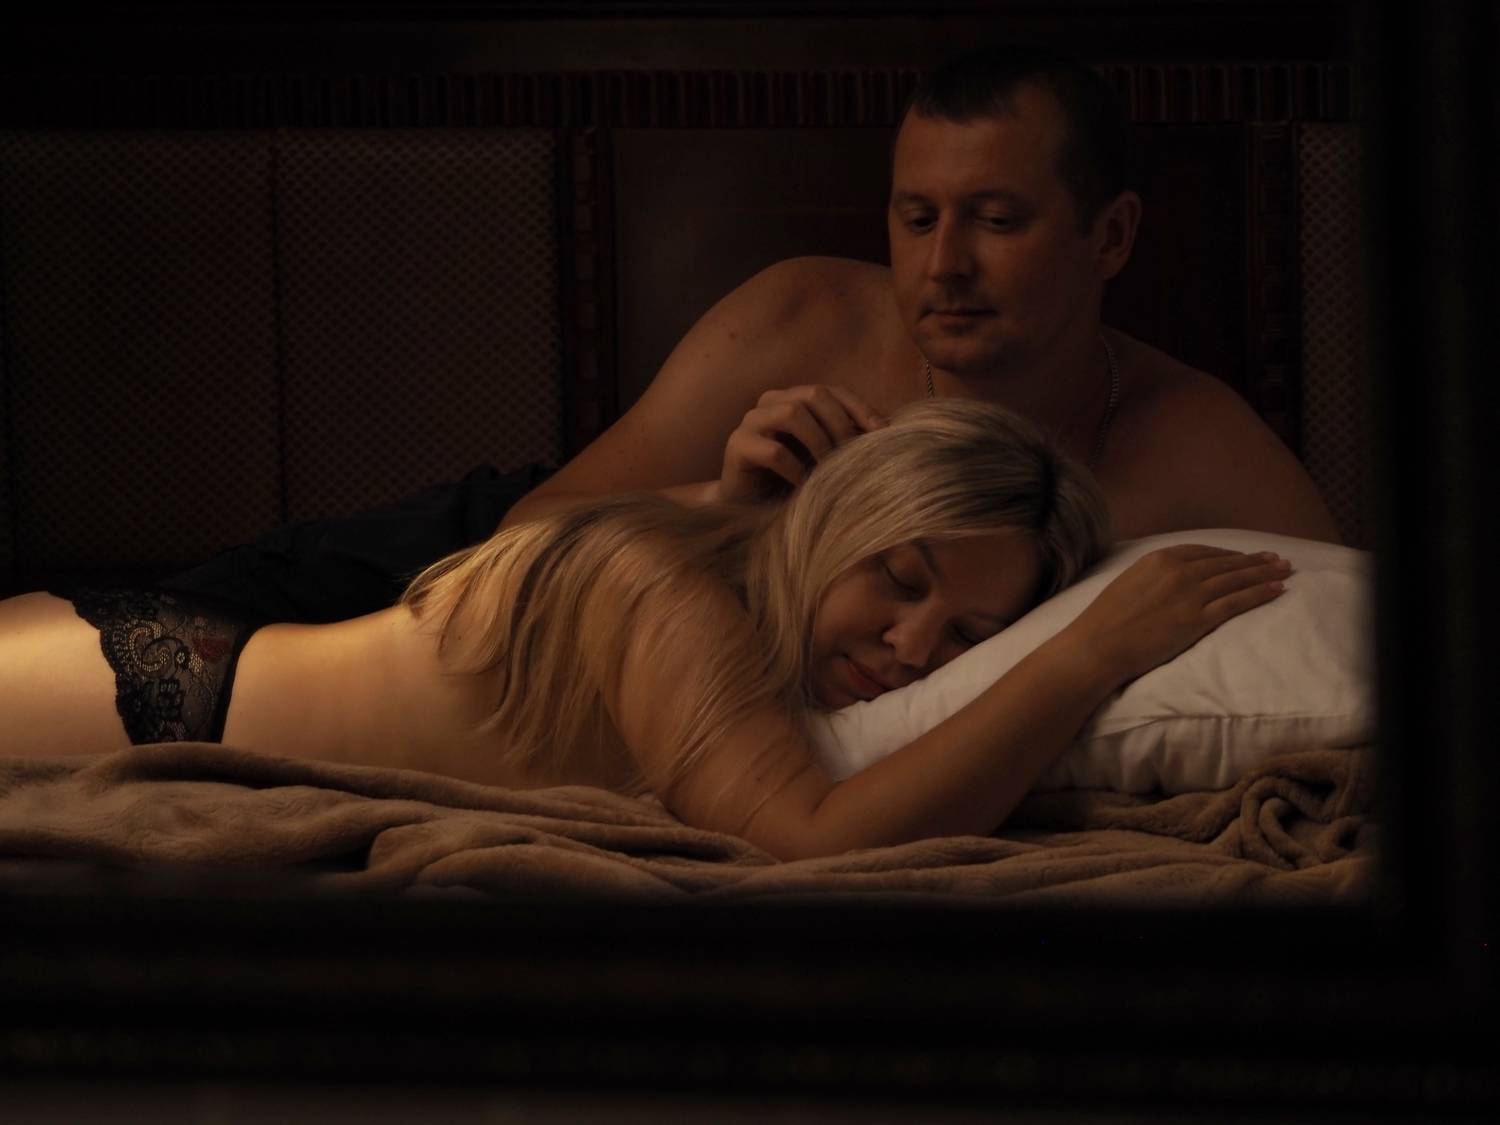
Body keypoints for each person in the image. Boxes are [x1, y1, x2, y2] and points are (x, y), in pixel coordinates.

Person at [0, 402, 1292, 860]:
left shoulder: (713, 560)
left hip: (169, 667)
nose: (910, 647)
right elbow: (813, 841)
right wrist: (1087, 652)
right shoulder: (678, 600)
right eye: (897, 579)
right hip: (137, 688)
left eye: (968, 635)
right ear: (834, 525)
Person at [502, 45, 1341, 544]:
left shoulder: (1200, 447)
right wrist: (719, 504)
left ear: (1111, 236)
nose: (944, 264)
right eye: (917, 219)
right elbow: (521, 531)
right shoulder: (801, 317)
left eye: (997, 220)